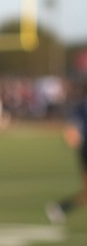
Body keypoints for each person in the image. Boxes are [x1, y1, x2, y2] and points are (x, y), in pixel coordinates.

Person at [46, 83, 87, 223]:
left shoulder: (81, 106)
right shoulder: (82, 107)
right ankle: (61, 208)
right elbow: (72, 131)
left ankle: (62, 208)